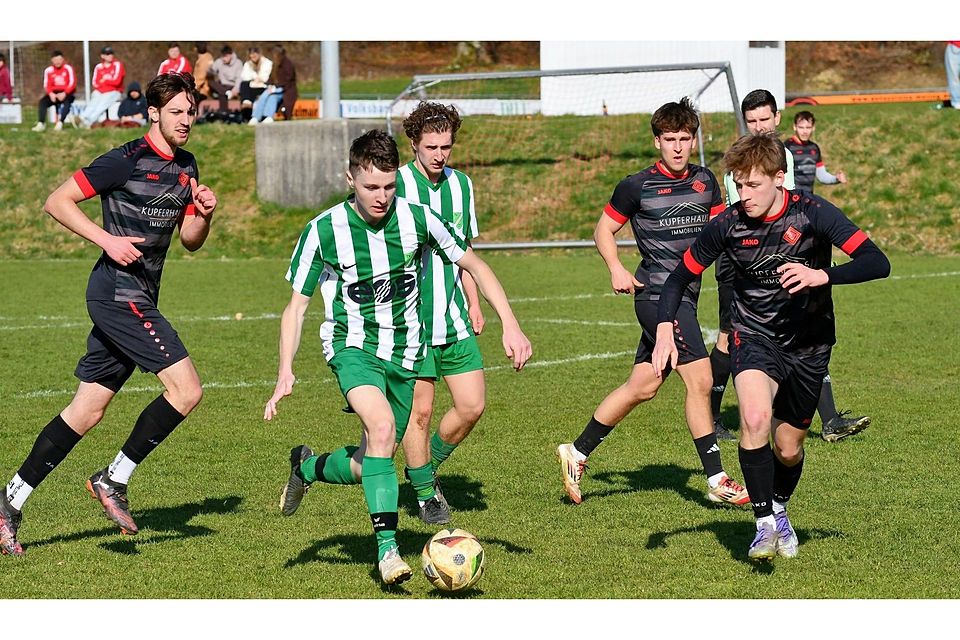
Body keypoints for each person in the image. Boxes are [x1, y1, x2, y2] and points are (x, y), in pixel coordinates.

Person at [263, 129, 532, 585]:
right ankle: (388, 552)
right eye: (371, 187)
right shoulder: (323, 230)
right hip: (353, 347)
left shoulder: (416, 218)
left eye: (388, 186)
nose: (381, 196)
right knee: (384, 429)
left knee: (373, 455)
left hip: (406, 353)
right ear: (350, 178)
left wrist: (510, 322)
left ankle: (307, 466)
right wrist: (285, 369)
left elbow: (475, 264)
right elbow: (296, 307)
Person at [0, 72, 217, 558]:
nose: (186, 120)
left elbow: (191, 241)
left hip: (141, 296)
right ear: (154, 113)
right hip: (117, 295)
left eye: (191, 112)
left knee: (87, 410)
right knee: (187, 389)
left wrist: (203, 211)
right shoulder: (124, 160)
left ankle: (9, 501)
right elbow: (57, 201)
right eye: (177, 111)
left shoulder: (187, 165)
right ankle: (112, 478)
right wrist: (106, 240)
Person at [652, 132, 890, 561]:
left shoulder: (813, 213)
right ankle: (763, 524)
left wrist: (824, 275)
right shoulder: (726, 224)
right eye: (738, 184)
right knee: (755, 417)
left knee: (788, 447)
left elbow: (877, 261)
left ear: (780, 178)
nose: (744, 195)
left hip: (810, 344)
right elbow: (677, 278)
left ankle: (778, 507)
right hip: (753, 335)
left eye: (753, 185)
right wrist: (665, 329)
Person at [556, 98, 750, 508]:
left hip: (689, 297)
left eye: (685, 139)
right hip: (657, 297)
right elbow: (603, 230)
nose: (678, 147)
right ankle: (717, 478)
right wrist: (615, 267)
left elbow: (723, 231)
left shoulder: (706, 181)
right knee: (699, 381)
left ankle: (577, 451)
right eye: (670, 139)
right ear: (657, 141)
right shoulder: (636, 185)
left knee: (642, 386)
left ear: (694, 139)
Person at [711, 90, 868, 444]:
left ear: (777, 119)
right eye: (751, 121)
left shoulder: (786, 156)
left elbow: (791, 208)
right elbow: (747, 218)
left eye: (764, 119)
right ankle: (712, 415)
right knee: (727, 338)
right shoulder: (739, 162)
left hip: (784, 256)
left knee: (804, 329)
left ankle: (828, 419)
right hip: (742, 262)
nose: (759, 127)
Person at [394, 102, 485, 524]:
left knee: (471, 406)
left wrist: (474, 300)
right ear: (413, 143)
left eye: (446, 146)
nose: (439, 154)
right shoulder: (393, 185)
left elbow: (466, 252)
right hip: (408, 322)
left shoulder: (461, 186)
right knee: (421, 412)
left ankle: (425, 470)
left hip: (452, 315)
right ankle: (427, 494)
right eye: (431, 146)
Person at [783, 111, 847, 194]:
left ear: (813, 128)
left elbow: (822, 176)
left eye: (808, 127)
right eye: (801, 127)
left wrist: (836, 179)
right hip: (791, 198)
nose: (805, 131)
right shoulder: (787, 147)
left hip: (808, 198)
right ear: (794, 127)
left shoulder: (814, 148)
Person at [73, 46, 125, 128]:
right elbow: (95, 83)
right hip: (101, 90)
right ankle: (81, 118)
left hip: (115, 91)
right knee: (94, 98)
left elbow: (117, 82)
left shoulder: (117, 65)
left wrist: (104, 80)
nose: (110, 56)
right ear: (102, 56)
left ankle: (88, 122)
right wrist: (106, 83)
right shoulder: (99, 67)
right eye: (107, 54)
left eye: (111, 54)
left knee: (102, 104)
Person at [248, 45, 297, 125]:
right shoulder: (275, 64)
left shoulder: (288, 64)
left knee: (266, 94)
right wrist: (269, 85)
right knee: (272, 97)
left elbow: (288, 81)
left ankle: (256, 117)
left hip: (285, 89)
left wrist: (275, 87)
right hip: (276, 89)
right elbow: (271, 78)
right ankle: (269, 117)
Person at [32, 50, 76, 132]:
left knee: (67, 103)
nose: (57, 62)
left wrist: (65, 93)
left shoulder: (68, 68)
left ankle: (60, 123)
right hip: (54, 93)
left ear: (63, 59)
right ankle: (41, 123)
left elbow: (72, 83)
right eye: (55, 60)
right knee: (42, 102)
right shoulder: (48, 70)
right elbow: (46, 85)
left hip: (66, 92)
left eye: (59, 60)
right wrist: (51, 94)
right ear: (52, 60)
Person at [239, 47, 272, 121]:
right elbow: (244, 76)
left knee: (250, 90)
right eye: (251, 55)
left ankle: (250, 113)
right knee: (243, 84)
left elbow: (264, 77)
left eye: (255, 55)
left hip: (263, 86)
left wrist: (256, 78)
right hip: (252, 84)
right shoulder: (248, 64)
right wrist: (255, 78)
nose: (253, 57)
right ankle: (246, 102)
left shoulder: (267, 63)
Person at [208, 45, 243, 115]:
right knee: (211, 82)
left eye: (226, 56)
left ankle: (223, 112)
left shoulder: (238, 63)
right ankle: (226, 93)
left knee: (221, 92)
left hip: (232, 86)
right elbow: (213, 71)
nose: (223, 59)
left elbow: (239, 78)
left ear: (231, 55)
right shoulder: (219, 61)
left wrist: (236, 89)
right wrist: (209, 69)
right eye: (222, 56)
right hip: (222, 85)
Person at [943, 41, 960, 109]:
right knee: (953, 77)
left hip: (955, 46)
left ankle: (957, 102)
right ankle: (957, 102)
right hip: (955, 45)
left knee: (953, 77)